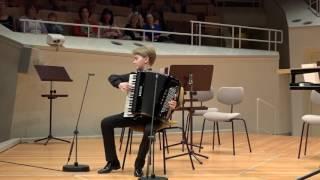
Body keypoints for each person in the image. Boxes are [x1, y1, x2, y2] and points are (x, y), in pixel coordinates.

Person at [98, 45, 177, 177]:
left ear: (146, 59)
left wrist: (174, 104)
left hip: (154, 118)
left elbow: (175, 99)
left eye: (136, 58)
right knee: (106, 122)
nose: (133, 61)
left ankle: (139, 165)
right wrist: (120, 84)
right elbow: (112, 77)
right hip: (133, 115)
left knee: (148, 130)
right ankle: (112, 162)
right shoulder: (133, 76)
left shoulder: (163, 80)